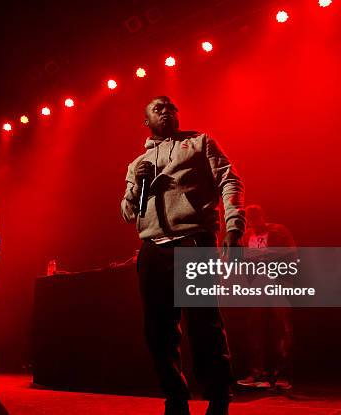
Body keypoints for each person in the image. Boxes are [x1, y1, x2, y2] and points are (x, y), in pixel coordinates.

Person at [121, 96, 245, 415]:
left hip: (193, 240)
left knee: (204, 324)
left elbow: (229, 180)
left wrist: (234, 225)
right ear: (145, 121)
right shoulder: (137, 164)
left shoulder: (199, 142)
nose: (166, 111)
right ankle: (175, 398)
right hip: (152, 249)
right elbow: (126, 212)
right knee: (158, 330)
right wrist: (137, 184)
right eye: (157, 108)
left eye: (171, 107)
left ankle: (218, 398)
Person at [238, 204, 296, 390]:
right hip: (258, 285)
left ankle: (282, 375)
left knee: (281, 328)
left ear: (263, 215)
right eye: (249, 218)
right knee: (255, 329)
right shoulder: (246, 236)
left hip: (278, 282)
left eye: (255, 216)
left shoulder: (278, 231)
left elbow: (292, 253)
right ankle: (259, 373)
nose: (253, 221)